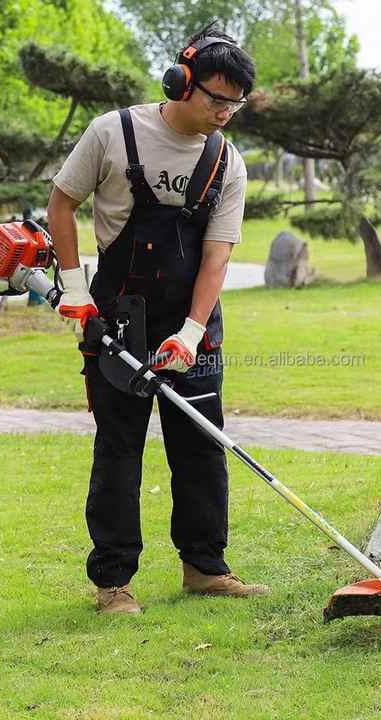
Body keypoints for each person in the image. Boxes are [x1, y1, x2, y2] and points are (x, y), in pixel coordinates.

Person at [47, 23, 269, 614]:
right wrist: (75, 291)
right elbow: (61, 205)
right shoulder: (113, 133)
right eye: (216, 100)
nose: (225, 114)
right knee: (119, 449)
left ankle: (205, 568)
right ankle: (113, 583)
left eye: (236, 104)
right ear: (180, 82)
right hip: (118, 316)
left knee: (201, 445)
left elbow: (217, 256)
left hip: (192, 322)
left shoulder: (228, 162)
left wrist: (192, 334)